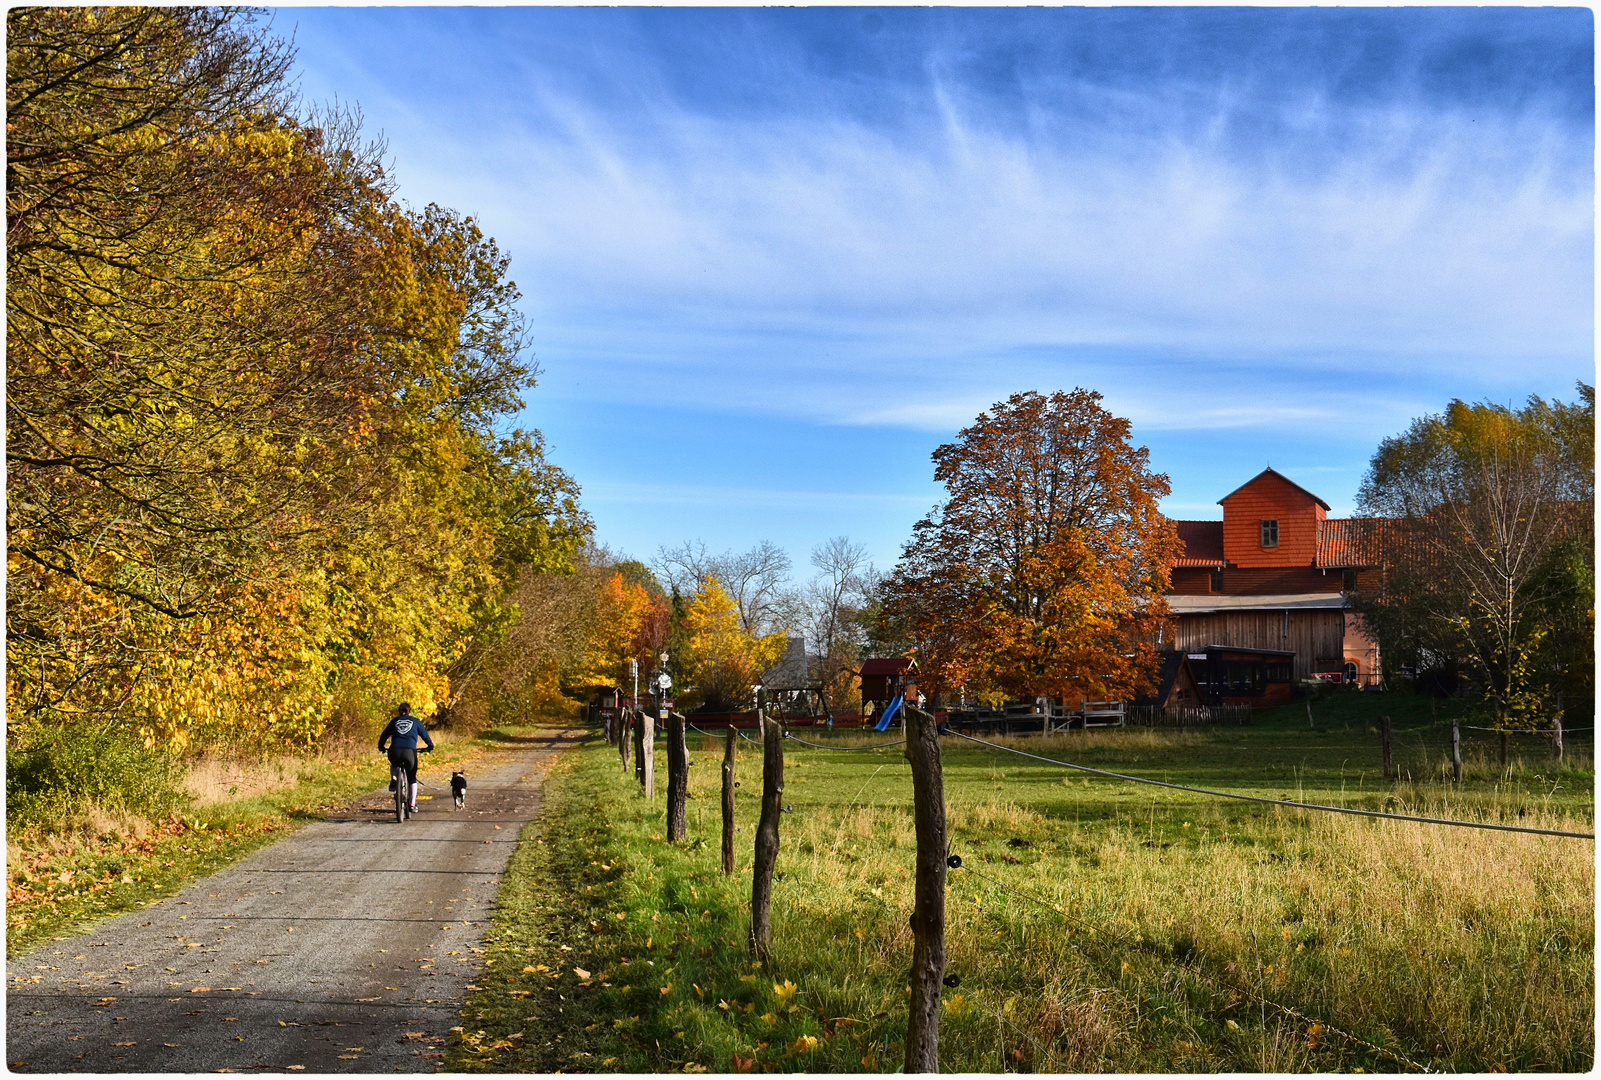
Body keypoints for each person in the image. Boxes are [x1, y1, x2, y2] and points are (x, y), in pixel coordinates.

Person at [378, 702, 434, 813]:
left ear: (399, 712)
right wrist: (429, 746)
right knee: (412, 778)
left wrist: (381, 746)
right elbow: (424, 735)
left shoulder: (394, 721)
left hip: (395, 751)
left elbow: (384, 735)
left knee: (394, 763)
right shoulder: (416, 721)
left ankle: (394, 778)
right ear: (410, 711)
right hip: (409, 752)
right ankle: (412, 804)